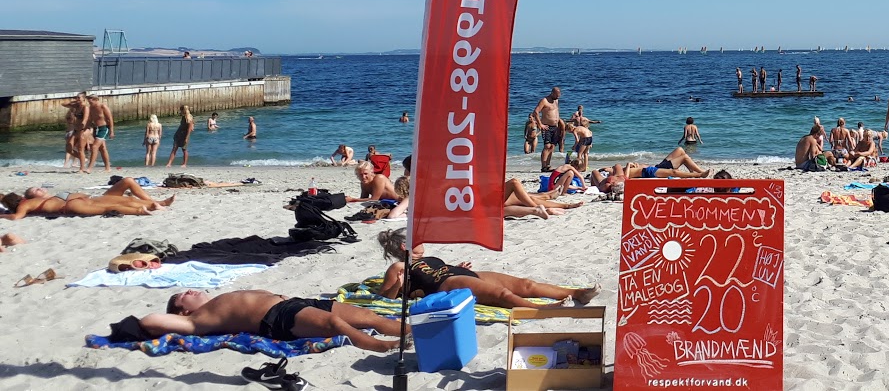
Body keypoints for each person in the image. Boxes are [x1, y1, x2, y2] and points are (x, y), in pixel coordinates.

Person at [377, 229, 597, 309]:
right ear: (405, 246)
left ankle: (578, 293)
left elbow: (433, 268)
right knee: (502, 295)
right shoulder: (398, 266)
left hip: (457, 273)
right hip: (446, 284)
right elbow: (383, 298)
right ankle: (541, 309)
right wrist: (397, 283)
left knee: (525, 284)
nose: (422, 239)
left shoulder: (429, 257)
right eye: (416, 238)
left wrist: (457, 266)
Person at [143, 289, 402, 353]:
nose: (190, 291)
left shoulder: (214, 301)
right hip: (277, 317)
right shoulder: (199, 320)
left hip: (296, 302)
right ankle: (377, 345)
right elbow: (151, 319)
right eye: (183, 297)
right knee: (334, 324)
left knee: (370, 316)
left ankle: (413, 331)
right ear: (182, 313)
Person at [3, 178, 177, 219]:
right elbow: (16, 216)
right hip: (73, 206)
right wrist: (3, 215)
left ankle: (156, 204)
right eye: (35, 190)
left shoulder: (51, 197)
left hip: (85, 200)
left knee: (124, 199)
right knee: (109, 207)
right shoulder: (25, 205)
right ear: (23, 198)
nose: (39, 189)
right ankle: (142, 210)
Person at [590, 148, 712, 192]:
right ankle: (699, 174)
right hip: (651, 171)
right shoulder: (618, 175)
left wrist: (633, 165)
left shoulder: (620, 173)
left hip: (655, 167)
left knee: (680, 150)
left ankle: (695, 172)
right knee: (683, 158)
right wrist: (630, 166)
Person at [536, 87, 562, 172]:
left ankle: (548, 165)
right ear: (552, 93)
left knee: (552, 146)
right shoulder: (544, 101)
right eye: (556, 96)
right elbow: (536, 112)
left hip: (555, 126)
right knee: (547, 146)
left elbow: (556, 112)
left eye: (559, 96)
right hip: (546, 126)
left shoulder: (556, 101)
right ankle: (543, 166)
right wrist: (540, 124)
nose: (557, 98)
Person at [61, 92, 89, 173]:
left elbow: (85, 118)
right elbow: (63, 104)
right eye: (76, 98)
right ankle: (83, 159)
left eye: (78, 98)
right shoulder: (76, 106)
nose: (77, 99)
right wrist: (73, 101)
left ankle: (82, 168)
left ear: (83, 98)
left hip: (82, 130)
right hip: (75, 130)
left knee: (80, 149)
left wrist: (83, 126)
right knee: (69, 148)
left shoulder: (85, 107)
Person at [87, 94, 115, 171]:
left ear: (95, 100)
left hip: (104, 128)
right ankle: (108, 168)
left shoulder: (103, 106)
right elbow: (90, 120)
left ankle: (89, 167)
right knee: (102, 148)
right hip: (96, 129)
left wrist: (111, 131)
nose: (90, 103)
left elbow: (110, 118)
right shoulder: (91, 108)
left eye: (91, 102)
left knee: (94, 147)